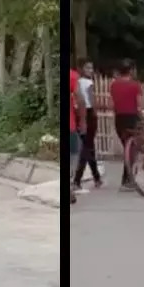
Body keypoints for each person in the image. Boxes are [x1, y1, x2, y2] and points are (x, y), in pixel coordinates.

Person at [110, 60, 143, 191]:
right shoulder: (135, 85)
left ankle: (127, 178)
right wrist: (142, 116)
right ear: (131, 70)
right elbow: (139, 104)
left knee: (127, 147)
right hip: (132, 118)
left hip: (119, 119)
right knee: (132, 149)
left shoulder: (113, 85)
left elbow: (112, 103)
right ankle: (127, 179)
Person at [72, 60, 101, 190]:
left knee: (89, 146)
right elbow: (91, 99)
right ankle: (77, 179)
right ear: (81, 69)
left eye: (92, 68)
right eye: (88, 68)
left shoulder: (78, 81)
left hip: (79, 113)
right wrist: (95, 112)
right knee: (87, 148)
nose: (91, 70)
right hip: (88, 113)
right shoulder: (89, 83)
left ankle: (97, 177)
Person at [68, 65, 85, 204]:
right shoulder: (72, 76)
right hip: (70, 126)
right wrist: (83, 120)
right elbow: (80, 98)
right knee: (73, 153)